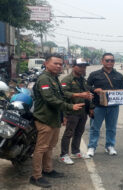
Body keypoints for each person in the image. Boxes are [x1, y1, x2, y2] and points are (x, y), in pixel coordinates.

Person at [30, 54, 84, 188]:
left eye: (60, 64)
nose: (59, 66)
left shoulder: (53, 78)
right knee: (41, 148)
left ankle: (47, 169)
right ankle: (36, 176)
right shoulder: (44, 79)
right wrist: (70, 106)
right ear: (47, 63)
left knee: (50, 147)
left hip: (54, 119)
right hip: (44, 119)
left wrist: (63, 114)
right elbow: (50, 99)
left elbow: (61, 95)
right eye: (55, 63)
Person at [86, 53, 123, 158]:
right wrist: (94, 89)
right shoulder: (94, 74)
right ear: (102, 61)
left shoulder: (118, 75)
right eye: (107, 60)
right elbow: (86, 86)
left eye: (112, 61)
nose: (110, 62)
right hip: (98, 106)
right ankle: (92, 147)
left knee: (111, 127)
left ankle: (110, 146)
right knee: (95, 127)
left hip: (113, 107)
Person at [59, 58, 95, 164]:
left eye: (84, 66)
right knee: (69, 133)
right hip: (72, 111)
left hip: (83, 111)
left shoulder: (82, 80)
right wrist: (79, 95)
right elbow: (63, 94)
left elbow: (88, 94)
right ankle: (64, 154)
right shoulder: (67, 80)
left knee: (79, 132)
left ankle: (75, 151)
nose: (83, 68)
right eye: (80, 66)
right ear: (73, 66)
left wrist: (91, 107)